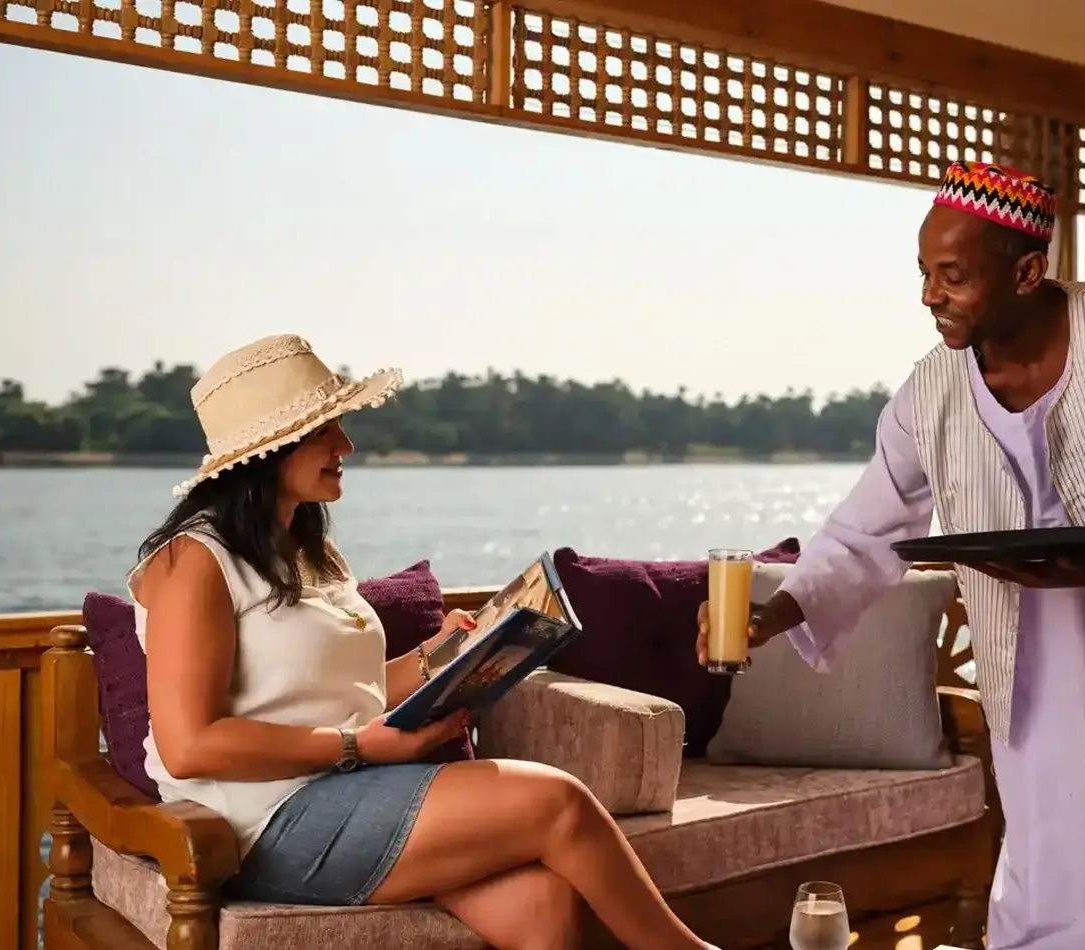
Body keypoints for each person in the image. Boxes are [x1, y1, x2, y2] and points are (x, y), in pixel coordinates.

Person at [697, 162, 1085, 950]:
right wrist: (774, 614)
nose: (929, 295)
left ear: (1029, 271)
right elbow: (864, 532)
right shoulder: (927, 394)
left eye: (952, 275)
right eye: (925, 274)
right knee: (1053, 891)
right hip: (1038, 679)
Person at [134, 333, 720, 950]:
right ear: (268, 451)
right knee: (558, 803)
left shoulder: (305, 548)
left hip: (344, 790)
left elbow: (340, 691)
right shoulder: (193, 561)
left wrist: (444, 654)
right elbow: (189, 746)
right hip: (259, 823)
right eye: (325, 431)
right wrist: (360, 745)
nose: (346, 446)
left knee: (542, 908)